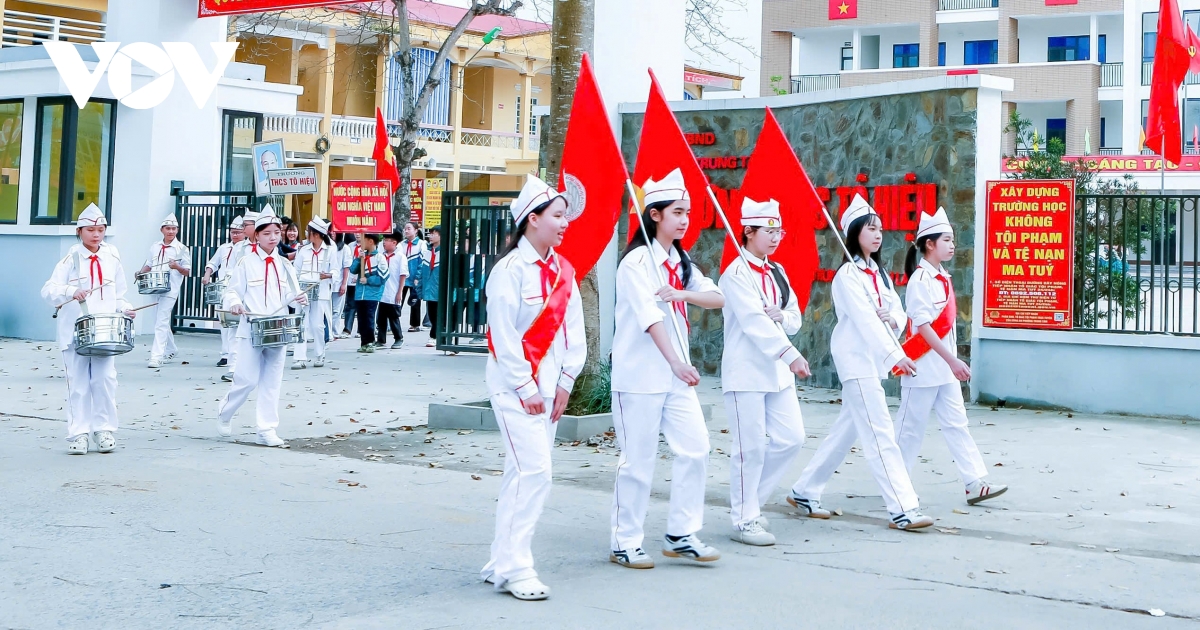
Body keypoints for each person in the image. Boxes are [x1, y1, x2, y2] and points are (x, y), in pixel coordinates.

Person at [785, 194, 933, 531]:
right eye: (870, 229)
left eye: (880, 228)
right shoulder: (847, 277)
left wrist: (893, 318)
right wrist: (897, 355)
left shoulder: (876, 273)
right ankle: (903, 507)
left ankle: (805, 490)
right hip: (856, 361)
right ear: (854, 233)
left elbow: (896, 309)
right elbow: (865, 322)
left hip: (871, 363)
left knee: (846, 430)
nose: (878, 234)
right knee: (880, 432)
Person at [609, 169, 725, 569]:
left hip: (677, 378)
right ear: (654, 215)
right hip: (641, 376)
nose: (685, 219)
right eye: (677, 211)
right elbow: (648, 317)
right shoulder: (636, 263)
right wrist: (675, 361)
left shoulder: (681, 262)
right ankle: (625, 541)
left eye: (688, 212)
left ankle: (681, 533)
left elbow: (718, 298)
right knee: (637, 462)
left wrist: (683, 292)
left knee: (696, 448)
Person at [481, 175, 586, 601]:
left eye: (564, 216)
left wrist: (565, 382)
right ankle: (516, 567)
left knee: (520, 473)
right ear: (532, 220)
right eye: (558, 216)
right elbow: (503, 339)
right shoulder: (507, 272)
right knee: (536, 471)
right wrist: (527, 387)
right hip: (514, 390)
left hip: (549, 390)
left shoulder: (564, 271)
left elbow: (573, 332)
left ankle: (499, 560)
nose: (565, 223)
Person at [894, 207, 1008, 506]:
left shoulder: (943, 277)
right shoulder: (920, 281)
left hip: (944, 371)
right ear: (929, 244)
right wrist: (953, 361)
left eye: (953, 239)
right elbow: (923, 329)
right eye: (946, 239)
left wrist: (950, 363)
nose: (952, 244)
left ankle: (974, 483)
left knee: (957, 424)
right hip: (922, 368)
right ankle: (895, 485)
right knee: (909, 433)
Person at [718, 198, 810, 547]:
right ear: (748, 232)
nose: (775, 238)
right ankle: (744, 518)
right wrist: (791, 354)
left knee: (792, 438)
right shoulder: (735, 274)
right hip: (746, 371)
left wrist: (782, 317)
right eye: (768, 232)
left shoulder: (777, 272)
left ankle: (749, 503)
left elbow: (794, 317)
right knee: (749, 448)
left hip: (777, 372)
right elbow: (754, 323)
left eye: (778, 231)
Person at [41, 204, 137, 455]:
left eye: (101, 229)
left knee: (105, 380)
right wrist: (71, 291)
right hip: (75, 332)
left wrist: (125, 308)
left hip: (105, 330)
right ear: (80, 231)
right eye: (91, 230)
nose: (96, 235)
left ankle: (104, 429)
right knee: (78, 383)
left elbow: (119, 294)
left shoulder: (112, 256)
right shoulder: (70, 259)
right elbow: (48, 290)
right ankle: (78, 433)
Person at [217, 206, 308, 447]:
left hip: (277, 329)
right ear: (256, 235)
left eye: (277, 232)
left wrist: (299, 298)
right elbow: (232, 291)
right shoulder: (246, 263)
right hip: (251, 329)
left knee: (272, 381)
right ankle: (225, 412)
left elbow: (291, 293)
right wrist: (235, 304)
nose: (273, 237)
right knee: (246, 379)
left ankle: (266, 429)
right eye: (267, 233)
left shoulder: (285, 265)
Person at [140, 215, 191, 369]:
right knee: (159, 320)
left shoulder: (182, 249)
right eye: (168, 228)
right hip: (154, 287)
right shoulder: (154, 246)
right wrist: (140, 273)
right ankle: (171, 349)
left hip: (170, 289)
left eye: (173, 229)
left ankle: (156, 356)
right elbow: (149, 264)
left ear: (177, 230)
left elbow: (187, 271)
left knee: (161, 321)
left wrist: (177, 267)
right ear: (162, 230)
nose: (171, 231)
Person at [292, 217, 336, 369]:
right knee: (301, 324)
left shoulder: (330, 250)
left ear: (316, 234)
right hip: (303, 291)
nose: (306, 234)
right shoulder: (303, 250)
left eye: (309, 232)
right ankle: (299, 358)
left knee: (317, 325)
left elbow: (336, 271)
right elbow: (295, 271)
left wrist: (328, 275)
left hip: (321, 291)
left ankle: (319, 353)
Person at [202, 216, 245, 369]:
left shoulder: (245, 248)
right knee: (223, 321)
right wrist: (207, 275)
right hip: (223, 287)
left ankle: (236, 355)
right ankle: (225, 354)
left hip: (237, 287)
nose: (235, 235)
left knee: (235, 322)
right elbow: (213, 263)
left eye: (238, 232)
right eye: (233, 232)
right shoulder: (223, 248)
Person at [349, 233, 389, 352]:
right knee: (361, 319)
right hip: (359, 294)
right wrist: (358, 259)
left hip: (372, 294)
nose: (361, 243)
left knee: (369, 318)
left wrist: (368, 280)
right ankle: (363, 343)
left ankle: (370, 342)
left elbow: (384, 277)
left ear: (371, 241)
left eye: (363, 240)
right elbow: (352, 270)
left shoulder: (380, 258)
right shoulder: (362, 256)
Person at [376, 231, 406, 349]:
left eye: (387, 240)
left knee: (393, 317)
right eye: (384, 240)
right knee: (381, 318)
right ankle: (381, 340)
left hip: (393, 292)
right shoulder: (381, 255)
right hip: (382, 292)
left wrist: (400, 292)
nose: (384, 242)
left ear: (394, 243)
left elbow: (403, 275)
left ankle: (398, 338)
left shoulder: (400, 257)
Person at [401, 222, 427, 332]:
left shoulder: (421, 244)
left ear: (416, 230)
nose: (406, 231)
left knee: (415, 301)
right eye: (405, 229)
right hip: (403, 277)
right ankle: (392, 322)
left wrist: (418, 276)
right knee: (398, 300)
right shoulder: (401, 244)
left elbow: (422, 262)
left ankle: (415, 324)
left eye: (409, 228)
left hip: (415, 278)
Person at [419, 226, 441, 347]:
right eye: (430, 234)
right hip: (429, 289)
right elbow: (421, 271)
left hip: (440, 289)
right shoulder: (428, 252)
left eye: (434, 234)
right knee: (432, 313)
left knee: (438, 314)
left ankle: (434, 336)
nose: (430, 236)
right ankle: (435, 335)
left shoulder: (446, 253)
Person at [339, 233, 360, 337]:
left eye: (360, 232)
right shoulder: (350, 246)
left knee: (361, 306)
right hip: (350, 279)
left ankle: (361, 330)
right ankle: (347, 329)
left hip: (362, 280)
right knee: (350, 305)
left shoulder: (368, 246)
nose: (358, 234)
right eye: (356, 232)